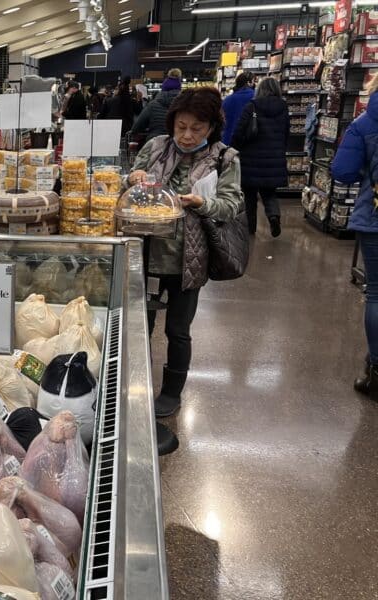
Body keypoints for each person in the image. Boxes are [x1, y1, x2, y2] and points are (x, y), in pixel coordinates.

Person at [127, 87, 243, 455]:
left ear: (211, 127)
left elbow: (230, 205)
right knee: (136, 327)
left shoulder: (225, 158)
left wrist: (202, 202)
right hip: (145, 252)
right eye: (181, 127)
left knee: (178, 329)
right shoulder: (157, 146)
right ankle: (134, 388)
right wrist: (134, 179)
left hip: (187, 260)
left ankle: (171, 393)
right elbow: (132, 177)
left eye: (196, 128)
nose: (187, 136)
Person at [331, 76, 378, 400]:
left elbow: (343, 171)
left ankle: (376, 370)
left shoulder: (365, 123)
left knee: (376, 293)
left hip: (374, 216)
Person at [230, 77, 289, 237]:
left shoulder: (252, 106)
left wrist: (235, 147)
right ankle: (273, 216)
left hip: (251, 157)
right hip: (274, 156)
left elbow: (239, 131)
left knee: (249, 195)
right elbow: (286, 133)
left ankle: (251, 228)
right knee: (269, 192)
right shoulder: (283, 107)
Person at [130, 68, 182, 143]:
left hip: (155, 144)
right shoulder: (186, 106)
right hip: (178, 145)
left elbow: (136, 128)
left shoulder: (152, 105)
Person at [221, 72, 255, 146]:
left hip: (228, 140)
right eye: (253, 81)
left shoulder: (227, 100)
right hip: (249, 142)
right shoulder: (256, 97)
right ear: (249, 83)